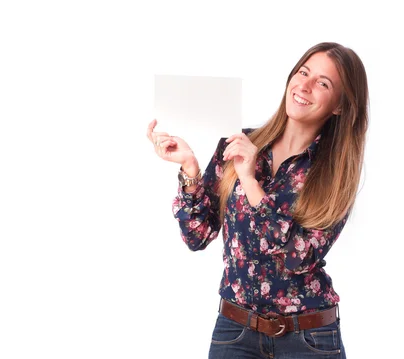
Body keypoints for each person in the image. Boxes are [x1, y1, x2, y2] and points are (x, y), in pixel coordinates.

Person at [146, 42, 368, 358]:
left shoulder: (334, 175)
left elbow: (297, 258)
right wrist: (190, 169)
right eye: (303, 72)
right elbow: (198, 236)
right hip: (234, 332)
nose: (304, 85)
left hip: (309, 338)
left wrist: (250, 181)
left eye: (322, 83)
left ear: (340, 106)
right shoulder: (236, 144)